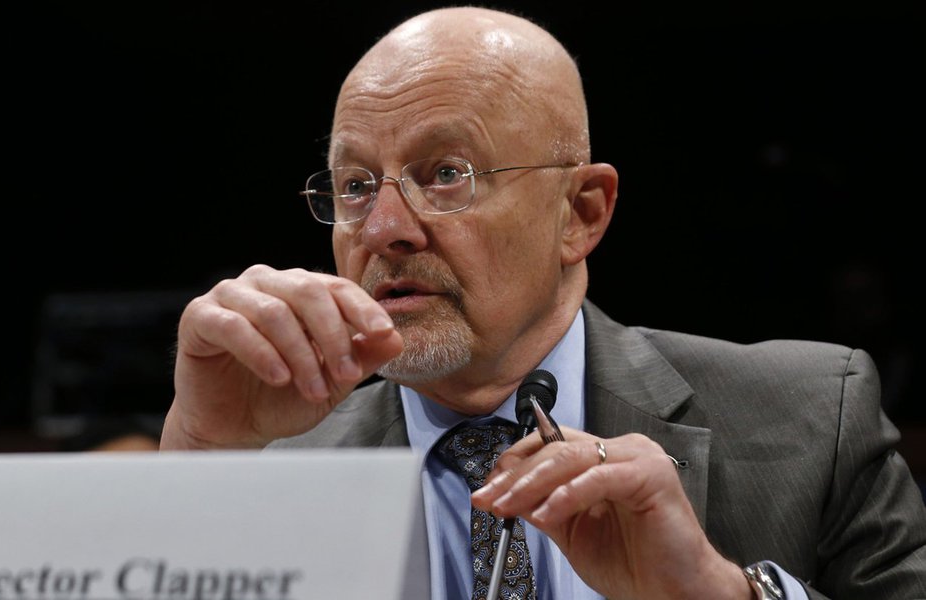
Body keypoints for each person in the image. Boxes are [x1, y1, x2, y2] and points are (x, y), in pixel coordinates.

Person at [159, 6, 926, 599]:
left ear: (581, 213)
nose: (385, 229)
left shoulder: (809, 420)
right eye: (356, 186)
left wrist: (720, 593)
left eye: (445, 173)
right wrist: (199, 457)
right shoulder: (274, 472)